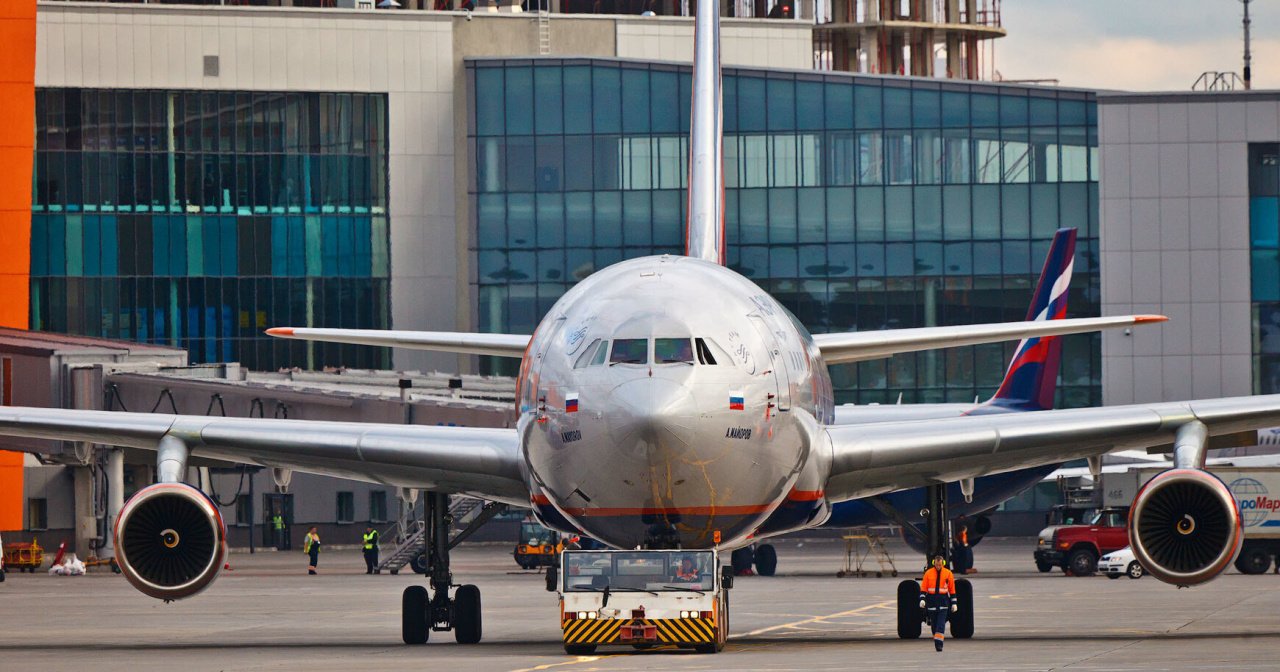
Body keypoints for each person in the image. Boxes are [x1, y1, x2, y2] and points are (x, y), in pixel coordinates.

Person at [919, 554, 957, 652]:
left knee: (941, 624)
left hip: (943, 601)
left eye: (940, 565)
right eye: (937, 565)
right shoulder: (928, 573)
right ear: (934, 563)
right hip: (931, 601)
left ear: (943, 563)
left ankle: (939, 644)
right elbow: (923, 588)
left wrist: (954, 603)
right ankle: (936, 639)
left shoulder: (948, 573)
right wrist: (922, 599)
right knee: (934, 625)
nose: (938, 567)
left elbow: (952, 590)